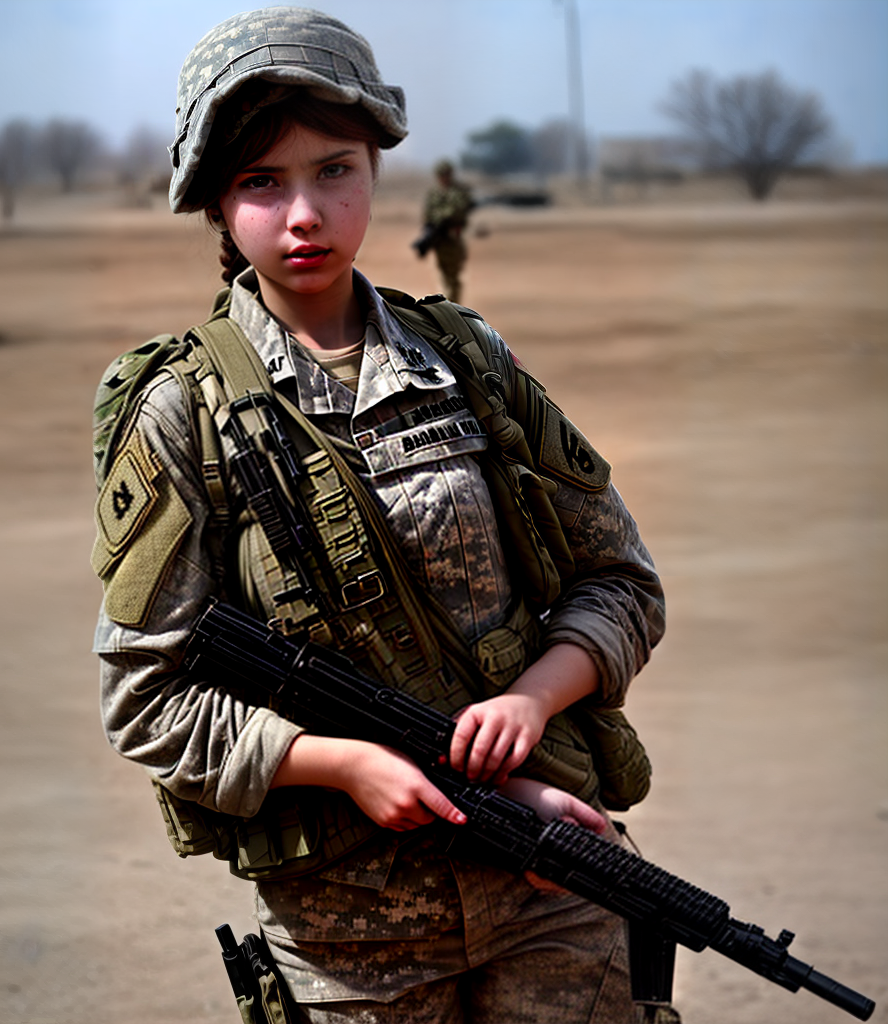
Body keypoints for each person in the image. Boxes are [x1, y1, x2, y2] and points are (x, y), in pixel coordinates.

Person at [92, 7, 665, 1022]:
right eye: (260, 181)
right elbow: (147, 696)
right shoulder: (182, 409)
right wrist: (341, 761)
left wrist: (532, 698)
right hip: (350, 933)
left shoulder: (468, 360)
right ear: (215, 205)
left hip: (550, 887)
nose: (303, 212)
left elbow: (618, 581)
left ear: (376, 171)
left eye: (334, 169)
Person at [415, 159, 476, 303]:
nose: (443, 177)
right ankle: (449, 303)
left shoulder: (459, 191)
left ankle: (454, 306)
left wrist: (440, 216)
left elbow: (457, 211)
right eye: (441, 175)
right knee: (443, 272)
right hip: (438, 239)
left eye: (446, 174)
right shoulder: (434, 193)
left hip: (452, 237)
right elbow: (428, 213)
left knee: (453, 274)